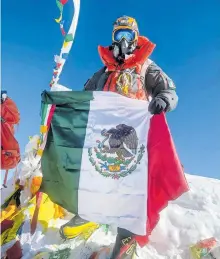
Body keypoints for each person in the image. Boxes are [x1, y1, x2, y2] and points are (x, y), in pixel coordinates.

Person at [60, 15, 178, 259]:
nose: (123, 41)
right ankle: (89, 216)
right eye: (118, 35)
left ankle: (126, 237)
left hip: (134, 139)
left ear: (135, 39)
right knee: (96, 176)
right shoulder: (103, 71)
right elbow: (85, 98)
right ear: (113, 39)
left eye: (128, 36)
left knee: (129, 188)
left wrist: (163, 99)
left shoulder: (146, 66)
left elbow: (169, 89)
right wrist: (66, 106)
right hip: (103, 138)